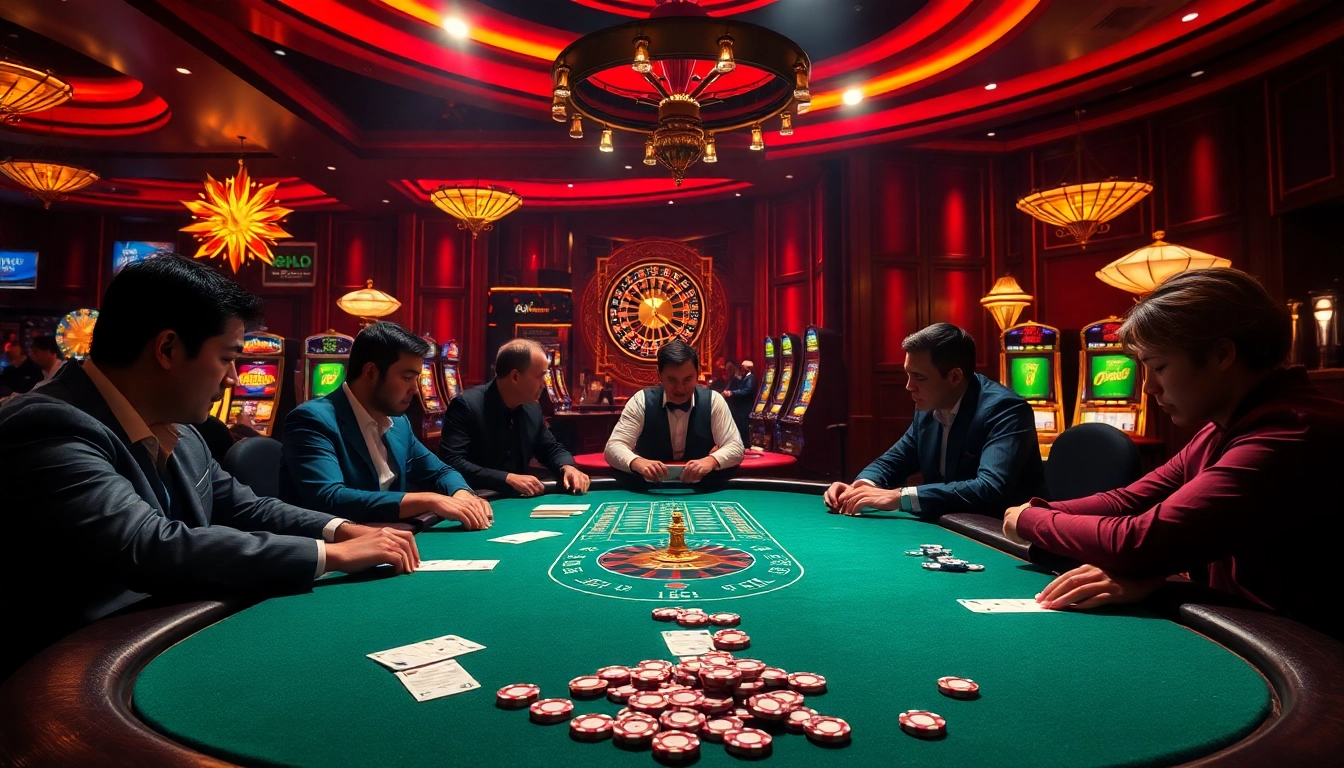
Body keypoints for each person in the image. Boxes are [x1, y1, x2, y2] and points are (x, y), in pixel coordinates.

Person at [0, 256, 420, 676]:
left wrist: (342, 528)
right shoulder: (48, 425)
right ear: (167, 349)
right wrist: (331, 555)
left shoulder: (179, 427)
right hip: (74, 675)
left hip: (168, 633)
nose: (234, 379)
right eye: (227, 358)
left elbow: (246, 507)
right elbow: (147, 544)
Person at [1003, 268, 1344, 641]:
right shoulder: (1222, 428)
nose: (1148, 388)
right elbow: (1127, 501)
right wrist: (1040, 511)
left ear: (1222, 354)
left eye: (1159, 367)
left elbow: (1137, 542)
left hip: (1311, 661)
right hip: (1249, 635)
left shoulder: (1289, 432)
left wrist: (1030, 521)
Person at [280, 322, 493, 528]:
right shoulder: (312, 420)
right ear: (371, 372)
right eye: (407, 378)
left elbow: (441, 472)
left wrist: (461, 494)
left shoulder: (399, 423)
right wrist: (429, 500)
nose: (416, 390)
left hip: (392, 542)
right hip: (335, 553)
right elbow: (330, 498)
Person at [824, 323, 1045, 517]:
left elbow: (989, 488)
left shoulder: (1005, 410)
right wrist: (861, 487)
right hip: (952, 524)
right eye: (908, 375)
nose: (909, 386)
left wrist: (899, 497)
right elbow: (892, 461)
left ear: (955, 377)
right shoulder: (928, 409)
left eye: (919, 377)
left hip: (1003, 538)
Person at [438, 339, 591, 497]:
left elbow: (550, 449)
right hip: (473, 500)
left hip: (515, 501)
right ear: (515, 377)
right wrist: (506, 478)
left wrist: (567, 466)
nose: (544, 384)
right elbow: (452, 462)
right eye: (540, 377)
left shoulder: (532, 408)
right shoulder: (467, 406)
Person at [604, 340, 744, 485]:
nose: (680, 388)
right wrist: (637, 462)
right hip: (648, 488)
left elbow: (735, 447)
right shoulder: (641, 401)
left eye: (687, 379)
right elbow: (614, 446)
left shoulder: (714, 401)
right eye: (671, 380)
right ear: (659, 376)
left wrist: (712, 461)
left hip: (701, 488)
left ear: (697, 374)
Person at [723, 359, 756, 446]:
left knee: (744, 428)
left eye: (742, 368)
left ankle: (746, 445)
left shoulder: (750, 378)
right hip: (741, 408)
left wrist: (732, 393)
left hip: (745, 408)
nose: (741, 369)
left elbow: (747, 390)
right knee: (740, 427)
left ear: (747, 369)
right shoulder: (744, 378)